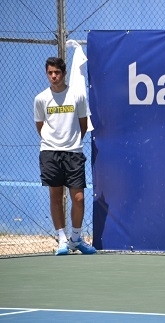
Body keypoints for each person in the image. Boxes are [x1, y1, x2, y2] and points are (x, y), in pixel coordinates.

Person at [34, 57, 97, 256]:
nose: (53, 76)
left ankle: (76, 239)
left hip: (73, 153)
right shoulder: (41, 99)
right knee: (55, 195)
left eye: (57, 72)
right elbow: (40, 127)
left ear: (64, 73)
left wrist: (71, 142)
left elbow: (83, 125)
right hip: (49, 152)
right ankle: (62, 239)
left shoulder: (77, 96)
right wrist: (54, 142)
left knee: (78, 198)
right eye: (50, 73)